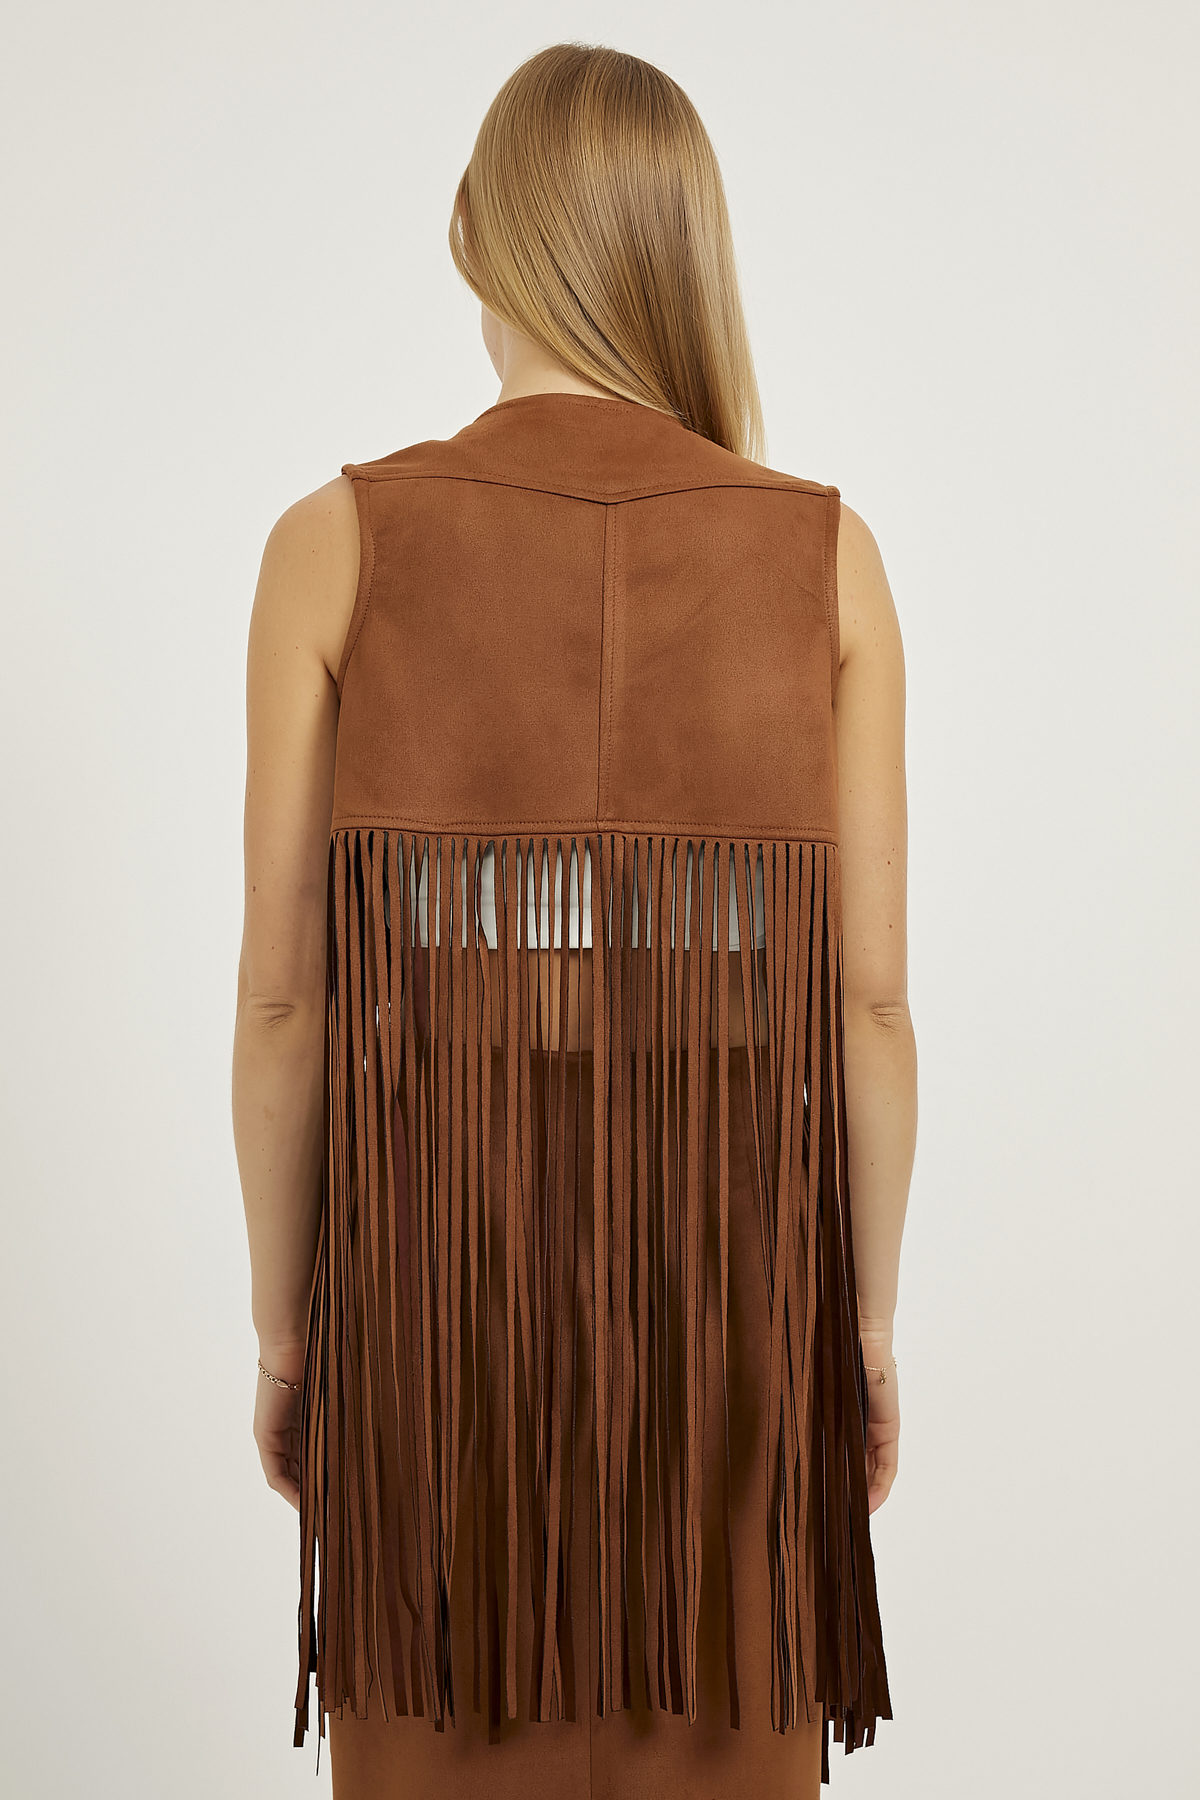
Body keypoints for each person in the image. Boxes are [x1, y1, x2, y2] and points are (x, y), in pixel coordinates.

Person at [232, 40, 915, 1800]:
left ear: (481, 238)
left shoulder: (335, 543)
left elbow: (288, 1006)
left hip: (433, 1295)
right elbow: (870, 1008)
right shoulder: (824, 560)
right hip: (730, 1295)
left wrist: (289, 1333)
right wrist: (861, 1336)